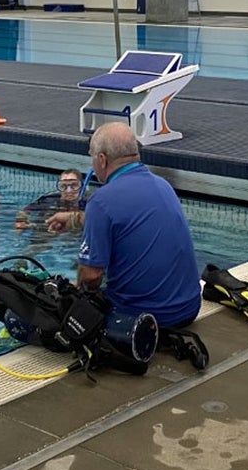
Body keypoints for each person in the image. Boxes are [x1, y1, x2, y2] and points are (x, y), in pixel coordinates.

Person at [46, 123, 202, 329]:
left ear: (102, 159)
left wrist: (74, 295)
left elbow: (91, 276)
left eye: (92, 156)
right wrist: (74, 219)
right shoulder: (162, 185)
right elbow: (125, 223)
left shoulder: (101, 201)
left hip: (145, 319)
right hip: (189, 308)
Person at [15, 169, 86, 231]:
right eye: (63, 186)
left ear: (81, 187)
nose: (68, 190)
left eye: (74, 185)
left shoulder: (89, 203)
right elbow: (24, 211)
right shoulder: (49, 200)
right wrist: (22, 220)